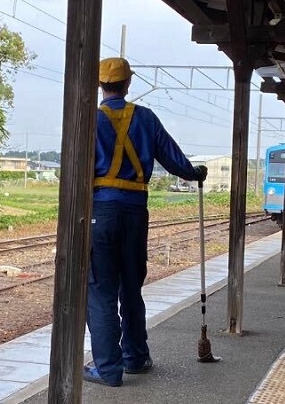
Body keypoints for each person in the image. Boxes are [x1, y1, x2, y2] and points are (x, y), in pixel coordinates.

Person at [84, 57, 208, 387]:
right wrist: (195, 174)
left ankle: (108, 369)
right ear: (127, 84)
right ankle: (135, 357)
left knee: (101, 292)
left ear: (100, 85)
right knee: (131, 288)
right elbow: (174, 158)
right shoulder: (146, 118)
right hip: (136, 211)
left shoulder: (90, 119)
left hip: (101, 210)